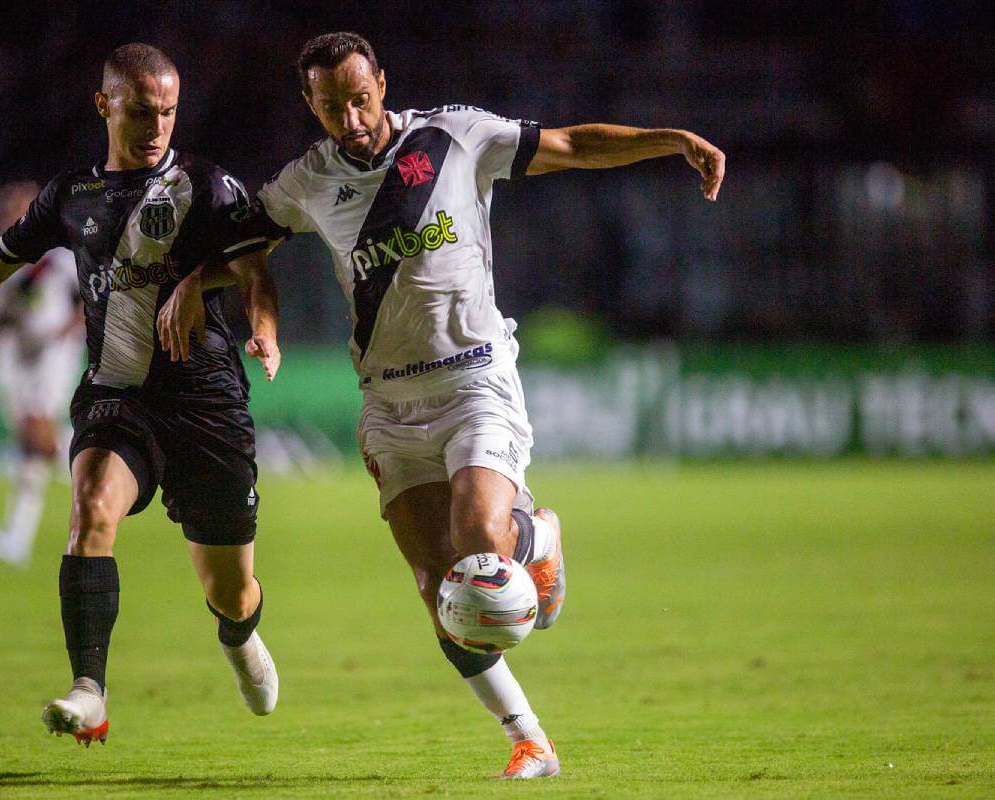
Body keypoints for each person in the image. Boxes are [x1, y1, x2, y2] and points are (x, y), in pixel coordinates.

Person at [166, 31, 725, 779]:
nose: (352, 118)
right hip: (390, 406)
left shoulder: (454, 135)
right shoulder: (307, 180)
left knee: (479, 543)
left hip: (474, 383)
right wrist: (189, 285)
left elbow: (569, 144)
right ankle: (529, 738)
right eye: (331, 106)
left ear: (383, 83)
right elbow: (245, 244)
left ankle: (534, 541)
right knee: (438, 588)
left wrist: (671, 141)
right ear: (311, 105)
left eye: (361, 99)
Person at [0, 43, 282, 744]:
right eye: (141, 111)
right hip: (117, 395)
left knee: (229, 588)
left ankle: (240, 631)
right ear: (104, 105)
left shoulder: (207, 184)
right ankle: (90, 689)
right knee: (92, 504)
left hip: (207, 400)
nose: (157, 126)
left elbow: (256, 267)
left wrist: (261, 329)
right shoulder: (71, 197)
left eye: (168, 112)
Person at [0, 180, 84, 567]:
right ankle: (18, 535)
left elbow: (91, 296)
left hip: (52, 348)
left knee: (35, 431)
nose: (18, 212)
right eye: (11, 205)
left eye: (25, 206)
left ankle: (17, 536)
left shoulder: (61, 254)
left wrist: (73, 328)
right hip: (10, 348)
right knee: (32, 441)